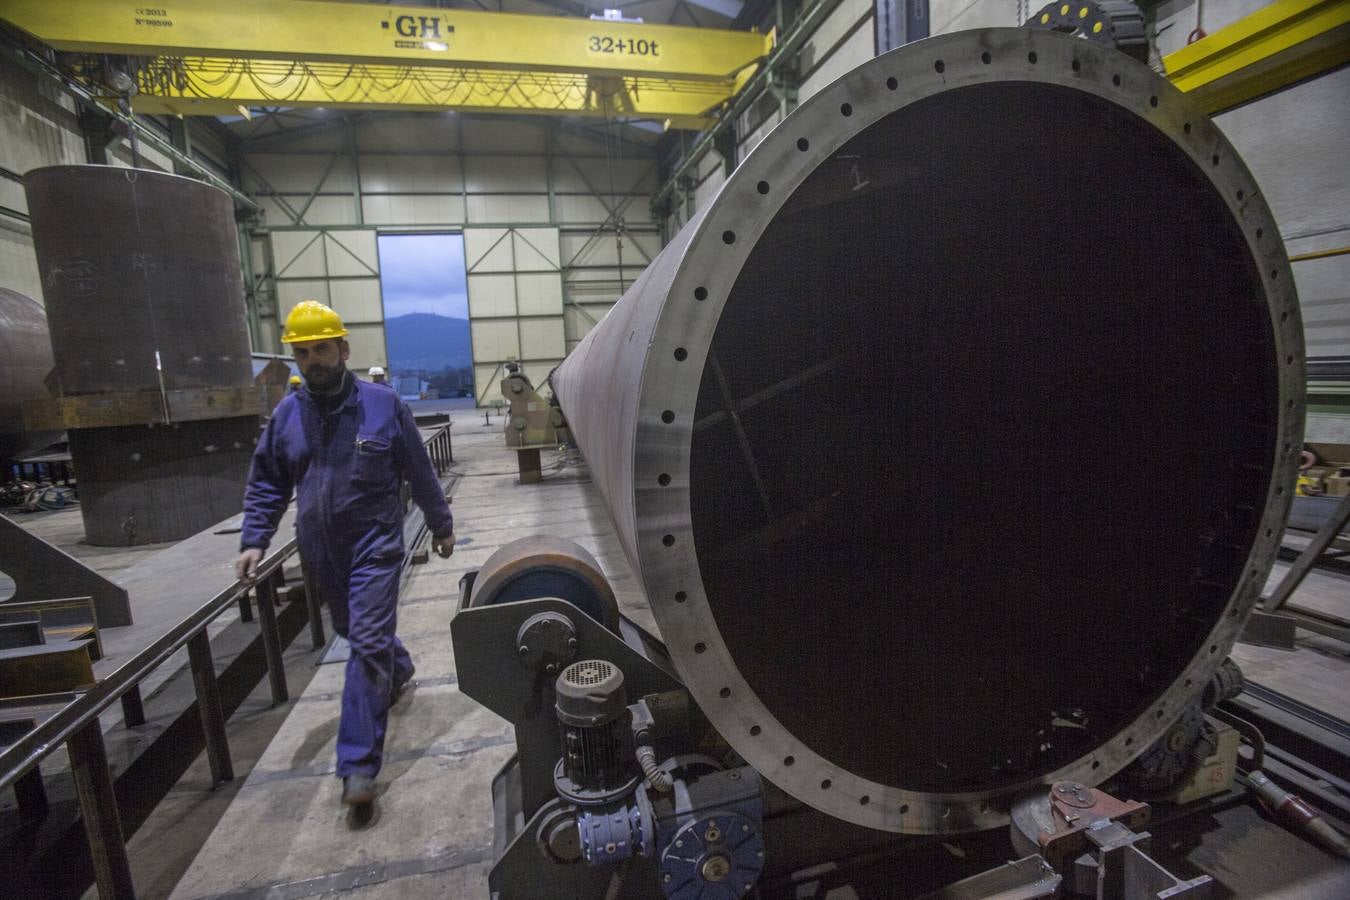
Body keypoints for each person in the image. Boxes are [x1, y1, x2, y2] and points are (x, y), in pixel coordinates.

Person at [235, 300, 455, 806]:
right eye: (303, 352)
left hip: (375, 544)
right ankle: (397, 669)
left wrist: (441, 524)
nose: (313, 360)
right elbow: (267, 482)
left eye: (322, 349)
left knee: (367, 639)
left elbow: (418, 469)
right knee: (357, 633)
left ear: (343, 349)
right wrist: (254, 539)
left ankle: (357, 765)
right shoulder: (288, 416)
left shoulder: (382, 406)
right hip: (321, 551)